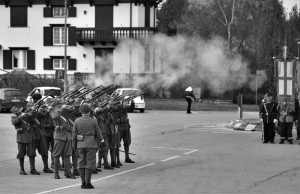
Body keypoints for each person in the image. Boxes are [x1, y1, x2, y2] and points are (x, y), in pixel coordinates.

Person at [72, 103, 103, 189]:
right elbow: (98, 132)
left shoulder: (77, 121)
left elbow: (74, 135)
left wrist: (74, 145)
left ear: (81, 112)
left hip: (80, 144)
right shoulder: (93, 120)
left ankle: (83, 183)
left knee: (81, 163)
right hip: (91, 144)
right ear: (89, 112)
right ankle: (88, 183)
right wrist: (102, 140)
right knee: (90, 163)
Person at [49, 98, 76, 179]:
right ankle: (56, 173)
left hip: (68, 135)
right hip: (59, 135)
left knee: (67, 155)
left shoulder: (64, 110)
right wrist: (62, 108)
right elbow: (55, 116)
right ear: (57, 104)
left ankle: (68, 173)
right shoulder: (52, 110)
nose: (63, 104)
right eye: (61, 103)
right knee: (56, 155)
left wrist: (73, 105)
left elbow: (74, 111)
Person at [11, 106, 39, 175]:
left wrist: (33, 110)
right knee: (21, 154)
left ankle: (32, 169)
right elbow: (14, 122)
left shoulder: (25, 115)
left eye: (21, 111)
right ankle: (22, 169)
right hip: (21, 137)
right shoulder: (14, 117)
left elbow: (32, 118)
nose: (21, 111)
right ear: (16, 112)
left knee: (32, 153)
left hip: (29, 136)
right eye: (19, 111)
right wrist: (21, 116)